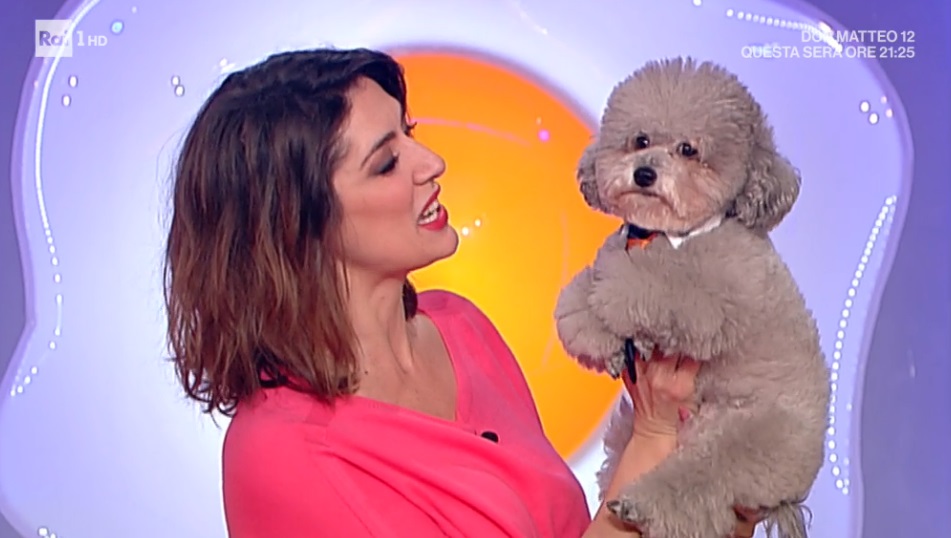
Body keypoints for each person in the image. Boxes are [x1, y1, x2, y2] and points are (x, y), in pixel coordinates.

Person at [163, 47, 762, 537]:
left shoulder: (460, 328)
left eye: (410, 133)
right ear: (296, 223)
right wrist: (652, 440)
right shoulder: (278, 454)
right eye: (386, 163)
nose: (431, 162)